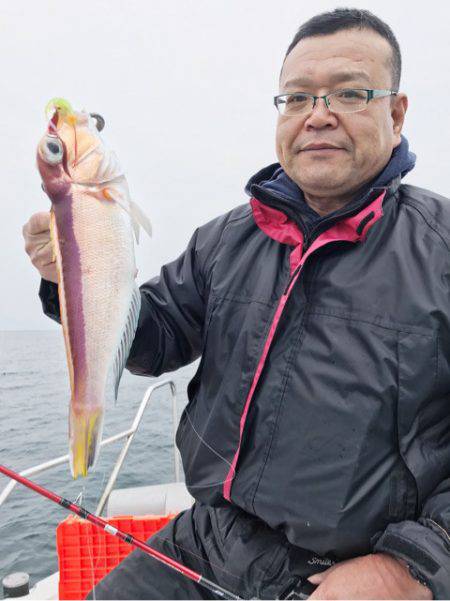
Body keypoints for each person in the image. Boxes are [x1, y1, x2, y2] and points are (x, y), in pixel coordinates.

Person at [23, 7, 450, 599]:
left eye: (349, 93)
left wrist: (413, 567)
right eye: (297, 98)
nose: (317, 116)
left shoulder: (442, 249)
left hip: (356, 570)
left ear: (396, 113)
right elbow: (154, 339)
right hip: (208, 539)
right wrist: (67, 278)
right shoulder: (224, 239)